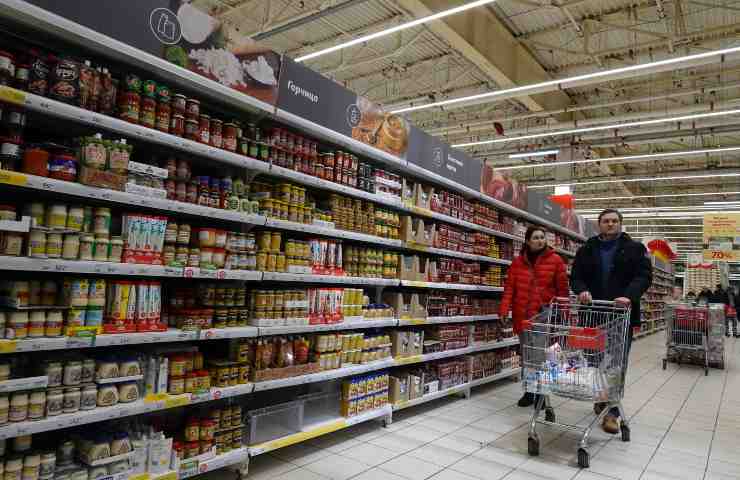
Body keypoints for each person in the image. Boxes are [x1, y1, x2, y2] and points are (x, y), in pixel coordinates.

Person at [570, 208, 652, 434]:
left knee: (616, 365)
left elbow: (644, 276)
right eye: (606, 221)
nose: (610, 224)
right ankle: (601, 398)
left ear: (620, 224)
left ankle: (612, 413)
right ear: (599, 224)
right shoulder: (586, 249)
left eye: (615, 221)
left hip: (620, 316)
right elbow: (575, 276)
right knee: (594, 363)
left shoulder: (636, 249)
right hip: (592, 314)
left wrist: (630, 295)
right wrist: (582, 290)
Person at [499, 226, 569, 407]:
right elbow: (510, 289)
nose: (539, 240)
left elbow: (562, 290)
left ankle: (540, 393)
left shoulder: (556, 261)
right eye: (535, 238)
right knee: (527, 354)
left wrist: (565, 313)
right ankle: (530, 391)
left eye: (542, 237)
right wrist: (504, 309)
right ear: (528, 241)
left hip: (543, 314)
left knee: (538, 356)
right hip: (522, 315)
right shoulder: (518, 262)